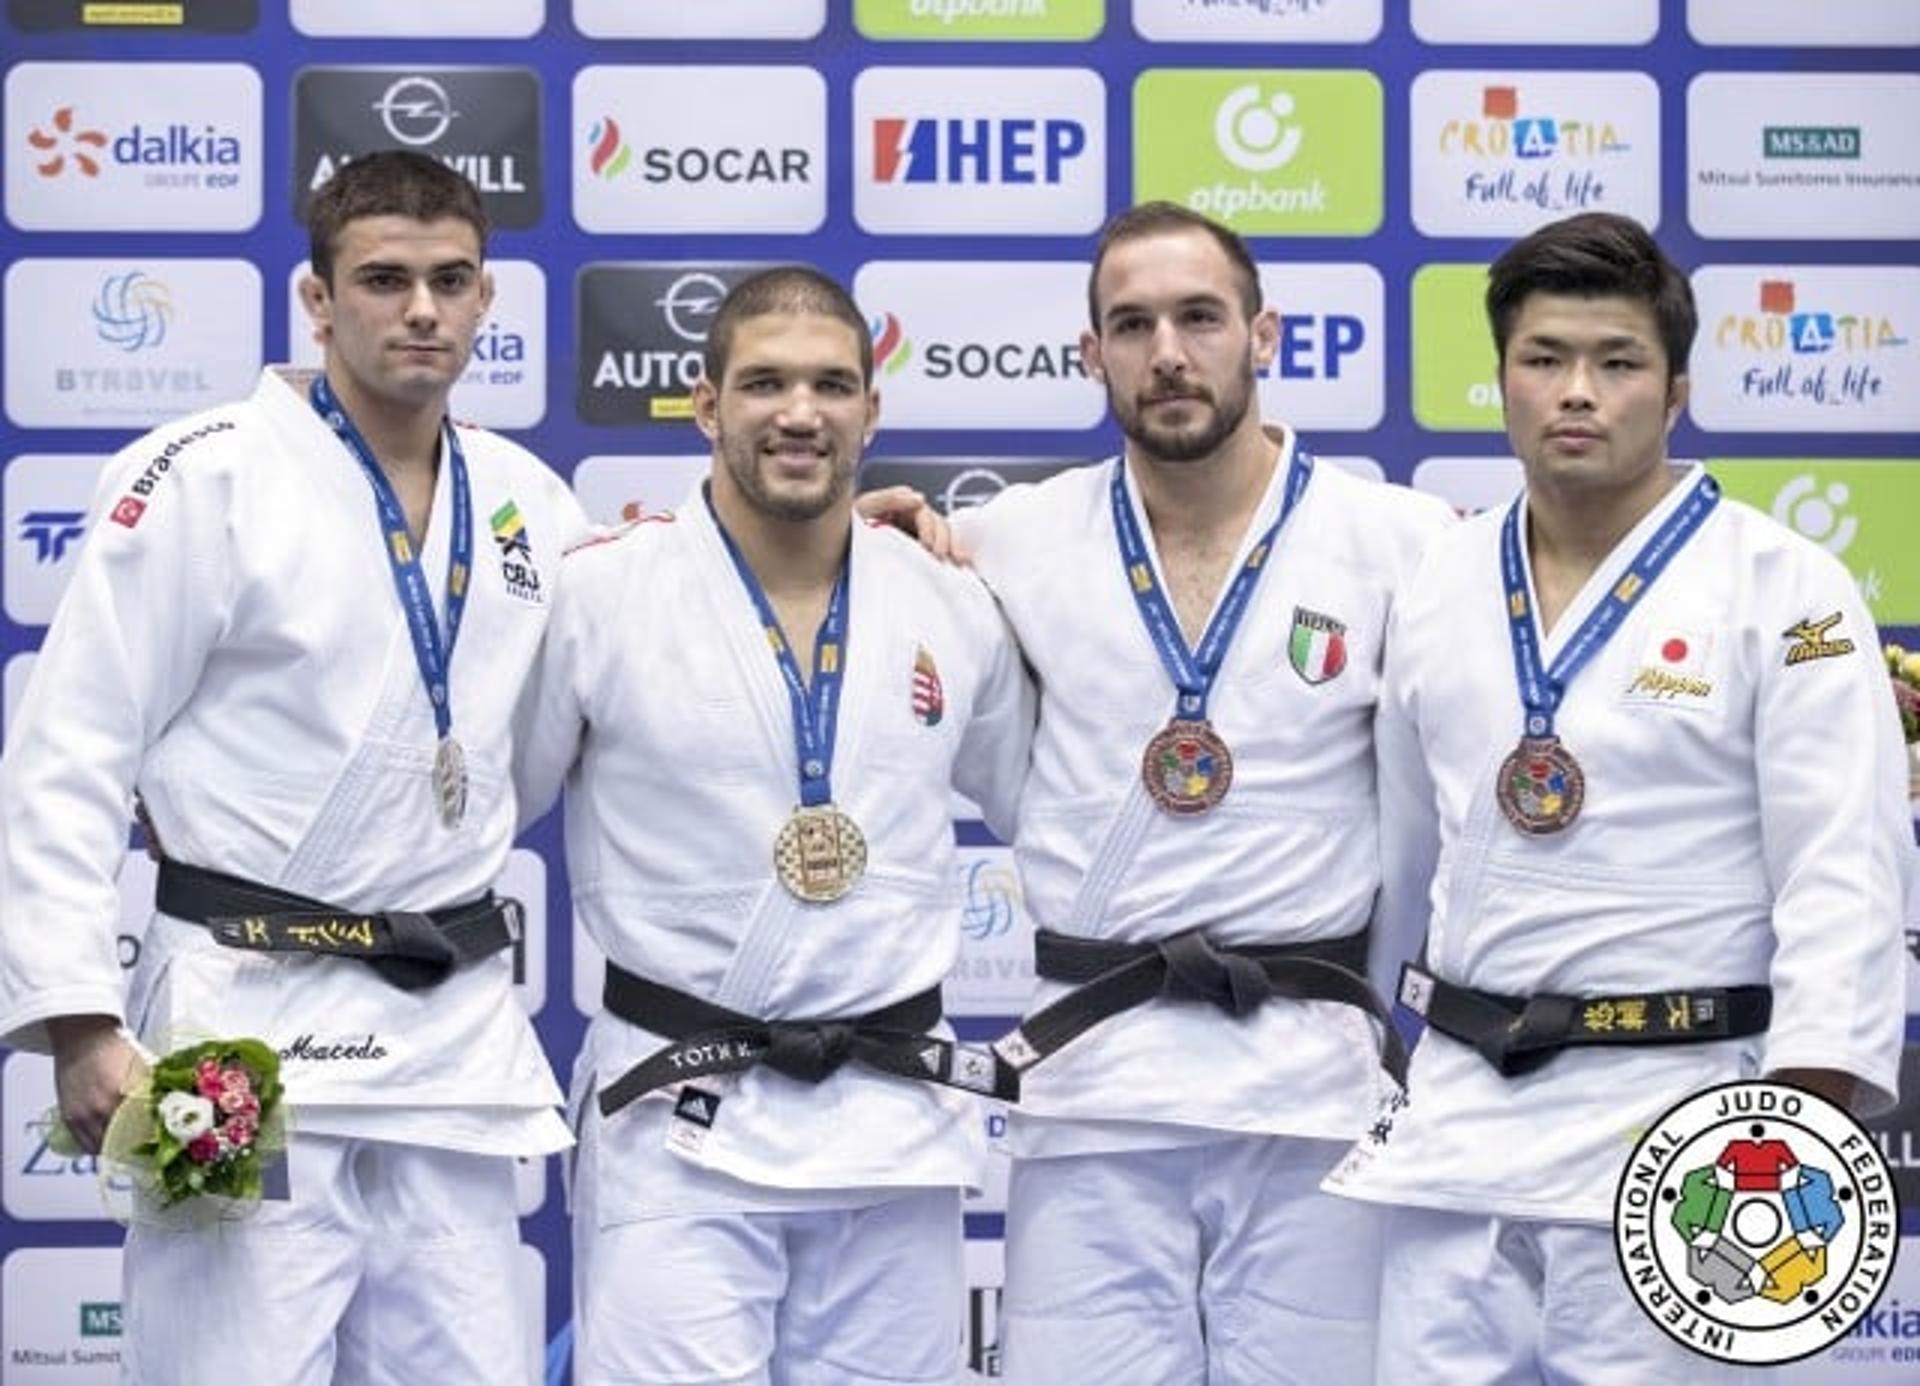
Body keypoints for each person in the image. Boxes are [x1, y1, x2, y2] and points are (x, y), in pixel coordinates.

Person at [0, 150, 585, 1383]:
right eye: (383, 279)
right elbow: (67, 755)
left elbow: (643, 647)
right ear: (318, 302)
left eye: (450, 280)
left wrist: (878, 535)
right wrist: (78, 1020)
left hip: (448, 1044)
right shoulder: (200, 478)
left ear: (487, 300)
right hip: (239, 1036)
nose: (420, 308)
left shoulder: (531, 501)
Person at [1323, 211, 1909, 1381]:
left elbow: (1841, 869)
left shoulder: (1783, 587)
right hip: (1458, 1125)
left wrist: (1795, 1139)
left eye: (1617, 362)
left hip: (1684, 1128)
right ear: (1500, 382)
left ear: (1677, 390)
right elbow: (1408, 848)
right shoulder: (1440, 580)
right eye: (1544, 360)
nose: (1576, 393)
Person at [947, 202, 1453, 1384]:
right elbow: (844, 589)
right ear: (1092, 355)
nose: (1167, 352)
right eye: (1131, 324)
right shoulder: (1009, 540)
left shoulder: (1402, 540)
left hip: (1313, 1090)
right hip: (1098, 1091)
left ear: (1263, 335)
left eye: (1199, 318)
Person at [513, 266, 1034, 1385]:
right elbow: (477, 810)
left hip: (891, 1122)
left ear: (871, 412)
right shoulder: (598, 598)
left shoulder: (950, 597)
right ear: (706, 405)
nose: (800, 412)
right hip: (677, 1119)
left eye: (831, 385)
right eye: (764, 383)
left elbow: (1051, 801)